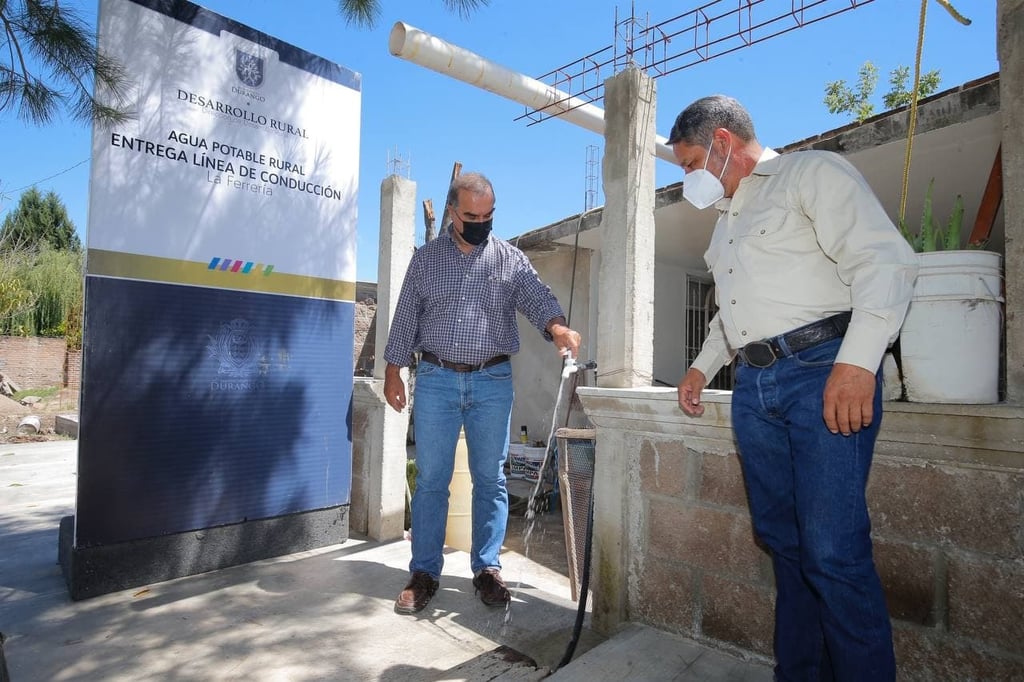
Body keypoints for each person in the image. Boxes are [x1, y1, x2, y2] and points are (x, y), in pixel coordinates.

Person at [668, 95, 918, 680]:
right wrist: (702, 366)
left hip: (822, 371)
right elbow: (732, 311)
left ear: (723, 142)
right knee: (785, 544)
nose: (689, 178)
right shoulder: (725, 223)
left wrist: (858, 363)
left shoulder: (811, 173)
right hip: (755, 387)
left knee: (833, 552)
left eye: (691, 163)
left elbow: (885, 263)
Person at [383, 171, 582, 615]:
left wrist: (557, 327)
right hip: (436, 379)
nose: (481, 223)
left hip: (492, 382)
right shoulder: (426, 261)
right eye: (471, 216)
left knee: (490, 479)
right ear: (452, 212)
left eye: (488, 216)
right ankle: (424, 572)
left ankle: (487, 569)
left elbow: (537, 297)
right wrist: (393, 371)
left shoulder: (509, 259)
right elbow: (405, 316)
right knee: (432, 480)